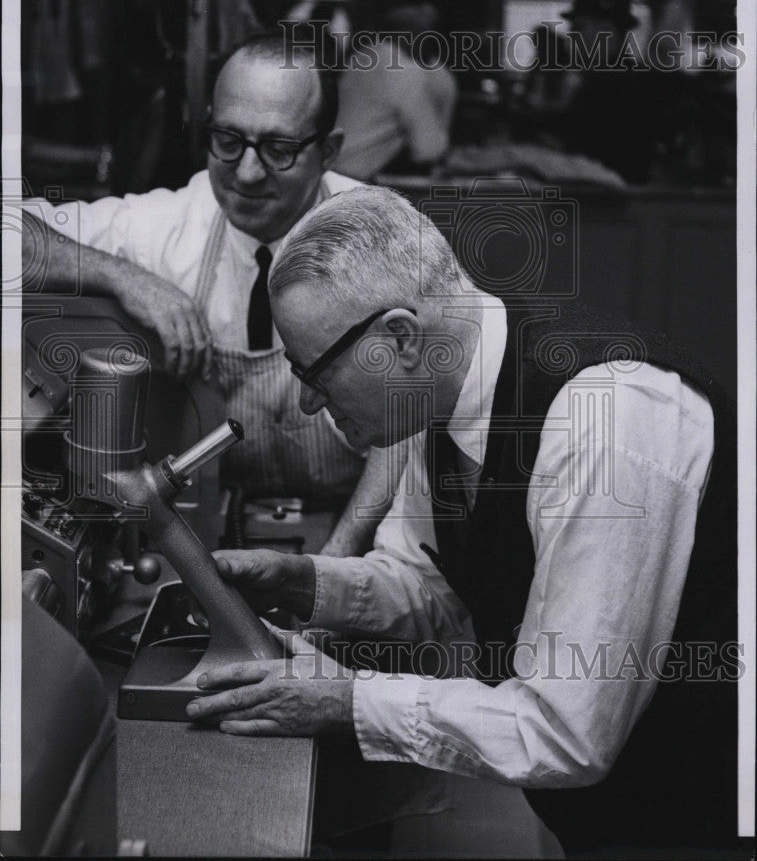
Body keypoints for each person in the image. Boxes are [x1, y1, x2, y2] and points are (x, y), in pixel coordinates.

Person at [186, 187, 738, 858]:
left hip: (702, 812)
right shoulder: (437, 399)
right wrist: (305, 581)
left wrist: (346, 700)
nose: (306, 404)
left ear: (400, 337)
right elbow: (430, 582)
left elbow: (565, 732)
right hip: (600, 810)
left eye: (315, 372)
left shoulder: (606, 418)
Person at [21, 32, 400, 556]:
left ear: (328, 150)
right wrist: (121, 275)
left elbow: (419, 420)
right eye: (228, 140)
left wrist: (338, 560)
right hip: (214, 527)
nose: (246, 173)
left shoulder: (386, 237)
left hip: (360, 532)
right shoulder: (172, 224)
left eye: (279, 149)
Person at [334, 3, 457, 181]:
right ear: (412, 36)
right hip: (354, 180)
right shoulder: (407, 71)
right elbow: (428, 150)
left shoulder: (361, 57)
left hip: (328, 171)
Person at [559, 0, 659, 183]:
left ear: (605, 33)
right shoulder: (610, 79)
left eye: (578, 28)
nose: (570, 37)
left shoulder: (616, 87)